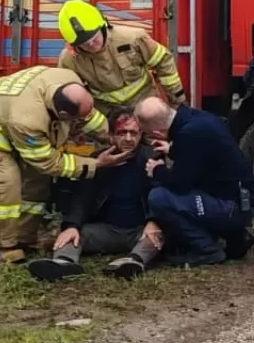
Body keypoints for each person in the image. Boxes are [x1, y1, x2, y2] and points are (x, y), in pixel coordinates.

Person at [0, 67, 125, 264]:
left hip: (7, 114)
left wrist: (111, 137)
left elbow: (88, 116)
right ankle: (1, 246)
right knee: (7, 181)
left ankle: (24, 237)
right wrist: (95, 164)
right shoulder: (27, 121)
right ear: (62, 114)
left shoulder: (71, 82)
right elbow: (49, 163)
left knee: (37, 180)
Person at [27, 107, 164, 281]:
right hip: (105, 230)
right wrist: (72, 225)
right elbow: (82, 197)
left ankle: (133, 262)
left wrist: (154, 221)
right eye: (122, 133)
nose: (128, 138)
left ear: (140, 134)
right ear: (111, 136)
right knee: (73, 233)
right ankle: (64, 263)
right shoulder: (99, 160)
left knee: (159, 235)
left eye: (133, 133)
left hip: (140, 231)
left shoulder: (152, 157)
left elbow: (161, 193)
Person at [133, 96, 254, 269]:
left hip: (232, 206)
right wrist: (173, 149)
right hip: (240, 198)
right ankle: (234, 236)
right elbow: (203, 157)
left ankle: (207, 249)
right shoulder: (199, 119)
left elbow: (180, 184)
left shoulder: (188, 134)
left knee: (159, 197)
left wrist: (157, 170)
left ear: (157, 133)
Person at [56, 0, 186, 109]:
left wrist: (177, 100)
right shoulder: (69, 59)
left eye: (94, 38)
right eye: (84, 44)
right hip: (105, 112)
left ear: (103, 26)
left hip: (144, 104)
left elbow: (163, 61)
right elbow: (68, 96)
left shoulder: (132, 38)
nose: (91, 44)